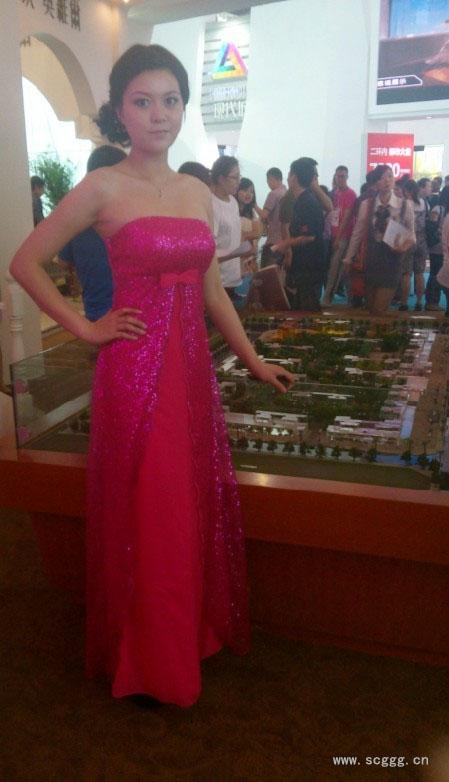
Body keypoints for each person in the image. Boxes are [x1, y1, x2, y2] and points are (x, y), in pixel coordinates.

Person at [10, 44, 293, 708]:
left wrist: (252, 360)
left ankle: (183, 636)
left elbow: (213, 293)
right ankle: (152, 660)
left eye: (170, 100)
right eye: (142, 101)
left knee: (183, 503)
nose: (158, 114)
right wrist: (87, 327)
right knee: (151, 507)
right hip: (134, 370)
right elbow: (25, 262)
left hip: (190, 372)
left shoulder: (195, 192)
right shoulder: (103, 187)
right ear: (119, 112)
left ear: (183, 108)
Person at [58, 145, 127, 321]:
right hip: (131, 313)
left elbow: (63, 261)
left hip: (95, 313)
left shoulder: (75, 218)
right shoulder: (128, 217)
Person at [343, 165, 415, 316]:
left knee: (379, 310)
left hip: (392, 262)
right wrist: (348, 259)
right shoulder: (367, 204)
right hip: (371, 261)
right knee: (370, 309)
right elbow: (357, 234)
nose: (387, 180)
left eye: (390, 176)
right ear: (375, 183)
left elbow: (412, 236)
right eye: (382, 178)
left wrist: (403, 247)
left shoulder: (404, 206)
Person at [272, 157, 327, 311]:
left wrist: (285, 244)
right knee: (299, 306)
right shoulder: (301, 200)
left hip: (309, 266)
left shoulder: (307, 202)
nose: (288, 178)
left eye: (289, 174)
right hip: (305, 265)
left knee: (306, 309)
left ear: (294, 176)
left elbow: (310, 236)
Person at [211, 156, 255, 299]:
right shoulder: (211, 204)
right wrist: (237, 252)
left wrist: (244, 252)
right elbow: (209, 250)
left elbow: (237, 233)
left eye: (239, 177)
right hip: (219, 279)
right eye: (235, 178)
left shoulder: (233, 202)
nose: (238, 182)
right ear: (220, 178)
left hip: (234, 276)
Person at [321, 165, 357, 306]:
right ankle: (352, 299)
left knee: (335, 268)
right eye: (338, 176)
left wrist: (338, 237)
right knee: (343, 269)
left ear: (347, 177)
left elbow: (347, 217)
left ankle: (327, 299)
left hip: (344, 236)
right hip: (334, 235)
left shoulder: (351, 194)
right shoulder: (335, 193)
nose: (340, 179)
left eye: (342, 176)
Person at [398, 179, 428, 312]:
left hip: (408, 240)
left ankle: (404, 303)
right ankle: (419, 302)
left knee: (406, 273)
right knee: (420, 272)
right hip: (422, 240)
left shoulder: (404, 204)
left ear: (406, 191)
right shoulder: (423, 203)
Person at [255, 167, 287, 268]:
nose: (268, 183)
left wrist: (254, 205)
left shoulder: (274, 194)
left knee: (267, 273)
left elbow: (264, 215)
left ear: (271, 178)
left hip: (273, 242)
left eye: (268, 180)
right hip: (285, 243)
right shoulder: (288, 194)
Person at [425, 186, 449, 311]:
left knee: (439, 275)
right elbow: (431, 227)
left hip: (443, 249)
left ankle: (434, 301)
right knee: (435, 275)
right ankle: (431, 301)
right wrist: (441, 232)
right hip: (437, 248)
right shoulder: (437, 209)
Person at [236, 177, 263, 255]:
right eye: (245, 190)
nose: (248, 194)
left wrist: (243, 236)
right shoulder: (231, 209)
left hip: (248, 253)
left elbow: (257, 233)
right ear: (237, 190)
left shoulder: (251, 212)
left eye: (251, 191)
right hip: (233, 252)